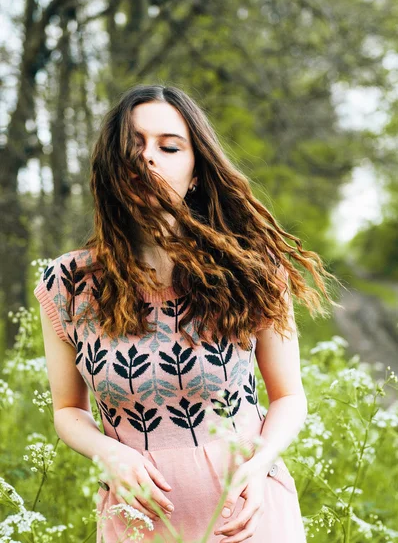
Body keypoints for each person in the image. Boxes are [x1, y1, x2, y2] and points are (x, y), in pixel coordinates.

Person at [34, 84, 340, 543]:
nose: (147, 158)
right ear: (113, 167)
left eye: (168, 146)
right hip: (136, 523)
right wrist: (108, 453)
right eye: (132, 146)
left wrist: (260, 464)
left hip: (249, 515)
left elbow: (289, 397)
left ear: (196, 171)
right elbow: (66, 411)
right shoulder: (68, 284)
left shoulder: (251, 271)